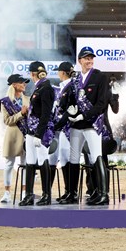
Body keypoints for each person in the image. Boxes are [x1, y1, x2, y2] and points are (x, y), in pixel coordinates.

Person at [64, 46, 110, 205]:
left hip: (92, 124)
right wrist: (71, 112)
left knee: (96, 156)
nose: (90, 60)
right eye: (86, 58)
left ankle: (103, 193)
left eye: (91, 57)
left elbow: (102, 103)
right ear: (80, 60)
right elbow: (70, 100)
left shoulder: (100, 78)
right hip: (76, 125)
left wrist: (85, 114)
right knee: (74, 158)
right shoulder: (75, 80)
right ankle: (72, 193)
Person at [19, 61, 55, 206]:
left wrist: (39, 134)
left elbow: (46, 114)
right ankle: (29, 194)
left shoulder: (46, 88)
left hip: (41, 132)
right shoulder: (40, 87)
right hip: (32, 131)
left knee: (42, 160)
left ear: (32, 73)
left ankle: (46, 194)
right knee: (30, 162)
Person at [0, 74, 30, 203]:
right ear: (14, 85)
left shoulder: (28, 99)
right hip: (12, 135)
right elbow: (7, 120)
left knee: (25, 165)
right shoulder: (5, 101)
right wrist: (20, 114)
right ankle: (7, 192)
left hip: (26, 135)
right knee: (9, 164)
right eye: (21, 82)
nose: (24, 84)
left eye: (24, 82)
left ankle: (24, 192)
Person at [52, 62, 76, 204]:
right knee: (64, 158)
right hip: (63, 127)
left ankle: (72, 192)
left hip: (68, 127)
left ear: (63, 72)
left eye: (59, 71)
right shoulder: (64, 87)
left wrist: (58, 124)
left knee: (68, 157)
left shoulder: (71, 86)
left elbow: (70, 108)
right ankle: (68, 191)